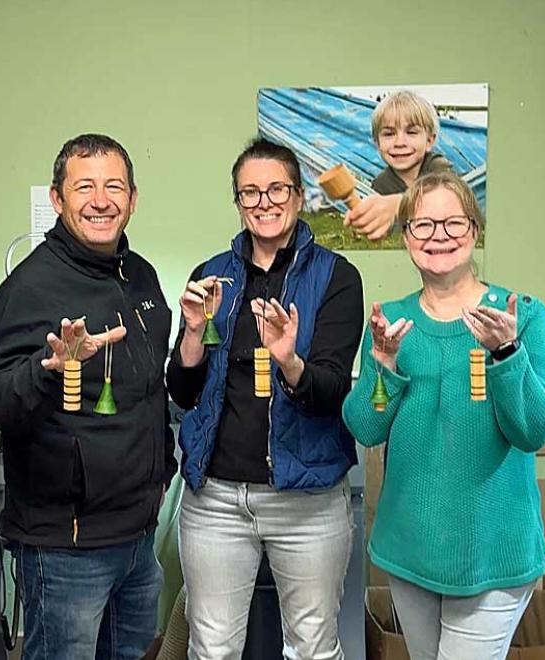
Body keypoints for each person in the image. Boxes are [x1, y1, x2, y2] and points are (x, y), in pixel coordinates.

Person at [342, 171, 545, 660]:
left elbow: (535, 430)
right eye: (422, 225)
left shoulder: (521, 315)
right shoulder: (391, 320)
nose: (438, 236)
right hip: (411, 551)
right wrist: (383, 364)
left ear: (475, 230)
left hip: (493, 554)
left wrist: (506, 354)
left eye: (453, 223)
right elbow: (367, 424)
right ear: (405, 238)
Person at [167, 137, 364, 659]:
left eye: (277, 188)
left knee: (313, 649)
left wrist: (288, 361)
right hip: (216, 502)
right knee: (211, 649)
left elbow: (331, 391)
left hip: (308, 500)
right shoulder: (213, 276)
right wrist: (191, 333)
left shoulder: (337, 278)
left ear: (300, 198)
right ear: (237, 202)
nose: (264, 202)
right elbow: (183, 391)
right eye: (249, 192)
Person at [0, 133, 176, 660]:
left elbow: (150, 390)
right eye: (84, 186)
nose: (100, 200)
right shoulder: (29, 287)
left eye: (114, 186)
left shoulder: (141, 277)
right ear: (56, 199)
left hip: (137, 537)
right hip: (64, 548)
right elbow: (0, 402)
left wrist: (162, 475)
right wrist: (52, 370)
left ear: (133, 198)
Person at [345, 90, 452, 241]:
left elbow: (448, 199)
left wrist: (397, 205)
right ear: (377, 143)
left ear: (429, 141)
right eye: (389, 134)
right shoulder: (380, 185)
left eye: (411, 132)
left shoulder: (437, 166)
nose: (400, 143)